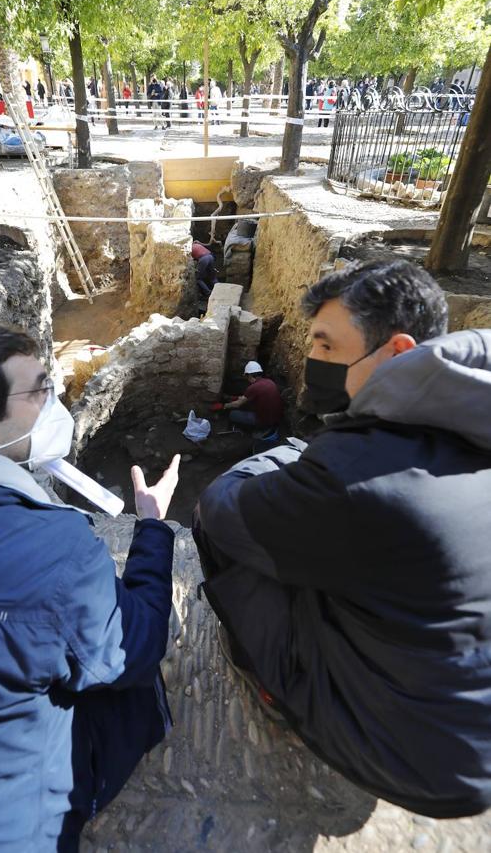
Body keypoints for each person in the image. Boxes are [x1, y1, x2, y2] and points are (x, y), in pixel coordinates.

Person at [194, 258, 491, 819]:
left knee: (221, 531)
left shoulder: (356, 475)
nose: (312, 362)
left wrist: (292, 454)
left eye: (327, 346)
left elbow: (223, 508)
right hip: (469, 721)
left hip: (417, 763)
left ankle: (275, 688)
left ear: (399, 353)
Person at [0, 320, 181, 853]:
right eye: (41, 390)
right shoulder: (51, 548)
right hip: (4, 833)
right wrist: (153, 529)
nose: (56, 401)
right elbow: (133, 647)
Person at [223, 360, 283, 430]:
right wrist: (230, 397)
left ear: (250, 375)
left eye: (246, 376)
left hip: (263, 422)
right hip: (276, 419)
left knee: (232, 414)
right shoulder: (270, 382)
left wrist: (225, 406)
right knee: (247, 405)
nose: (247, 379)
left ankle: (243, 429)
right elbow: (245, 397)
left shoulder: (253, 387)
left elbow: (237, 404)